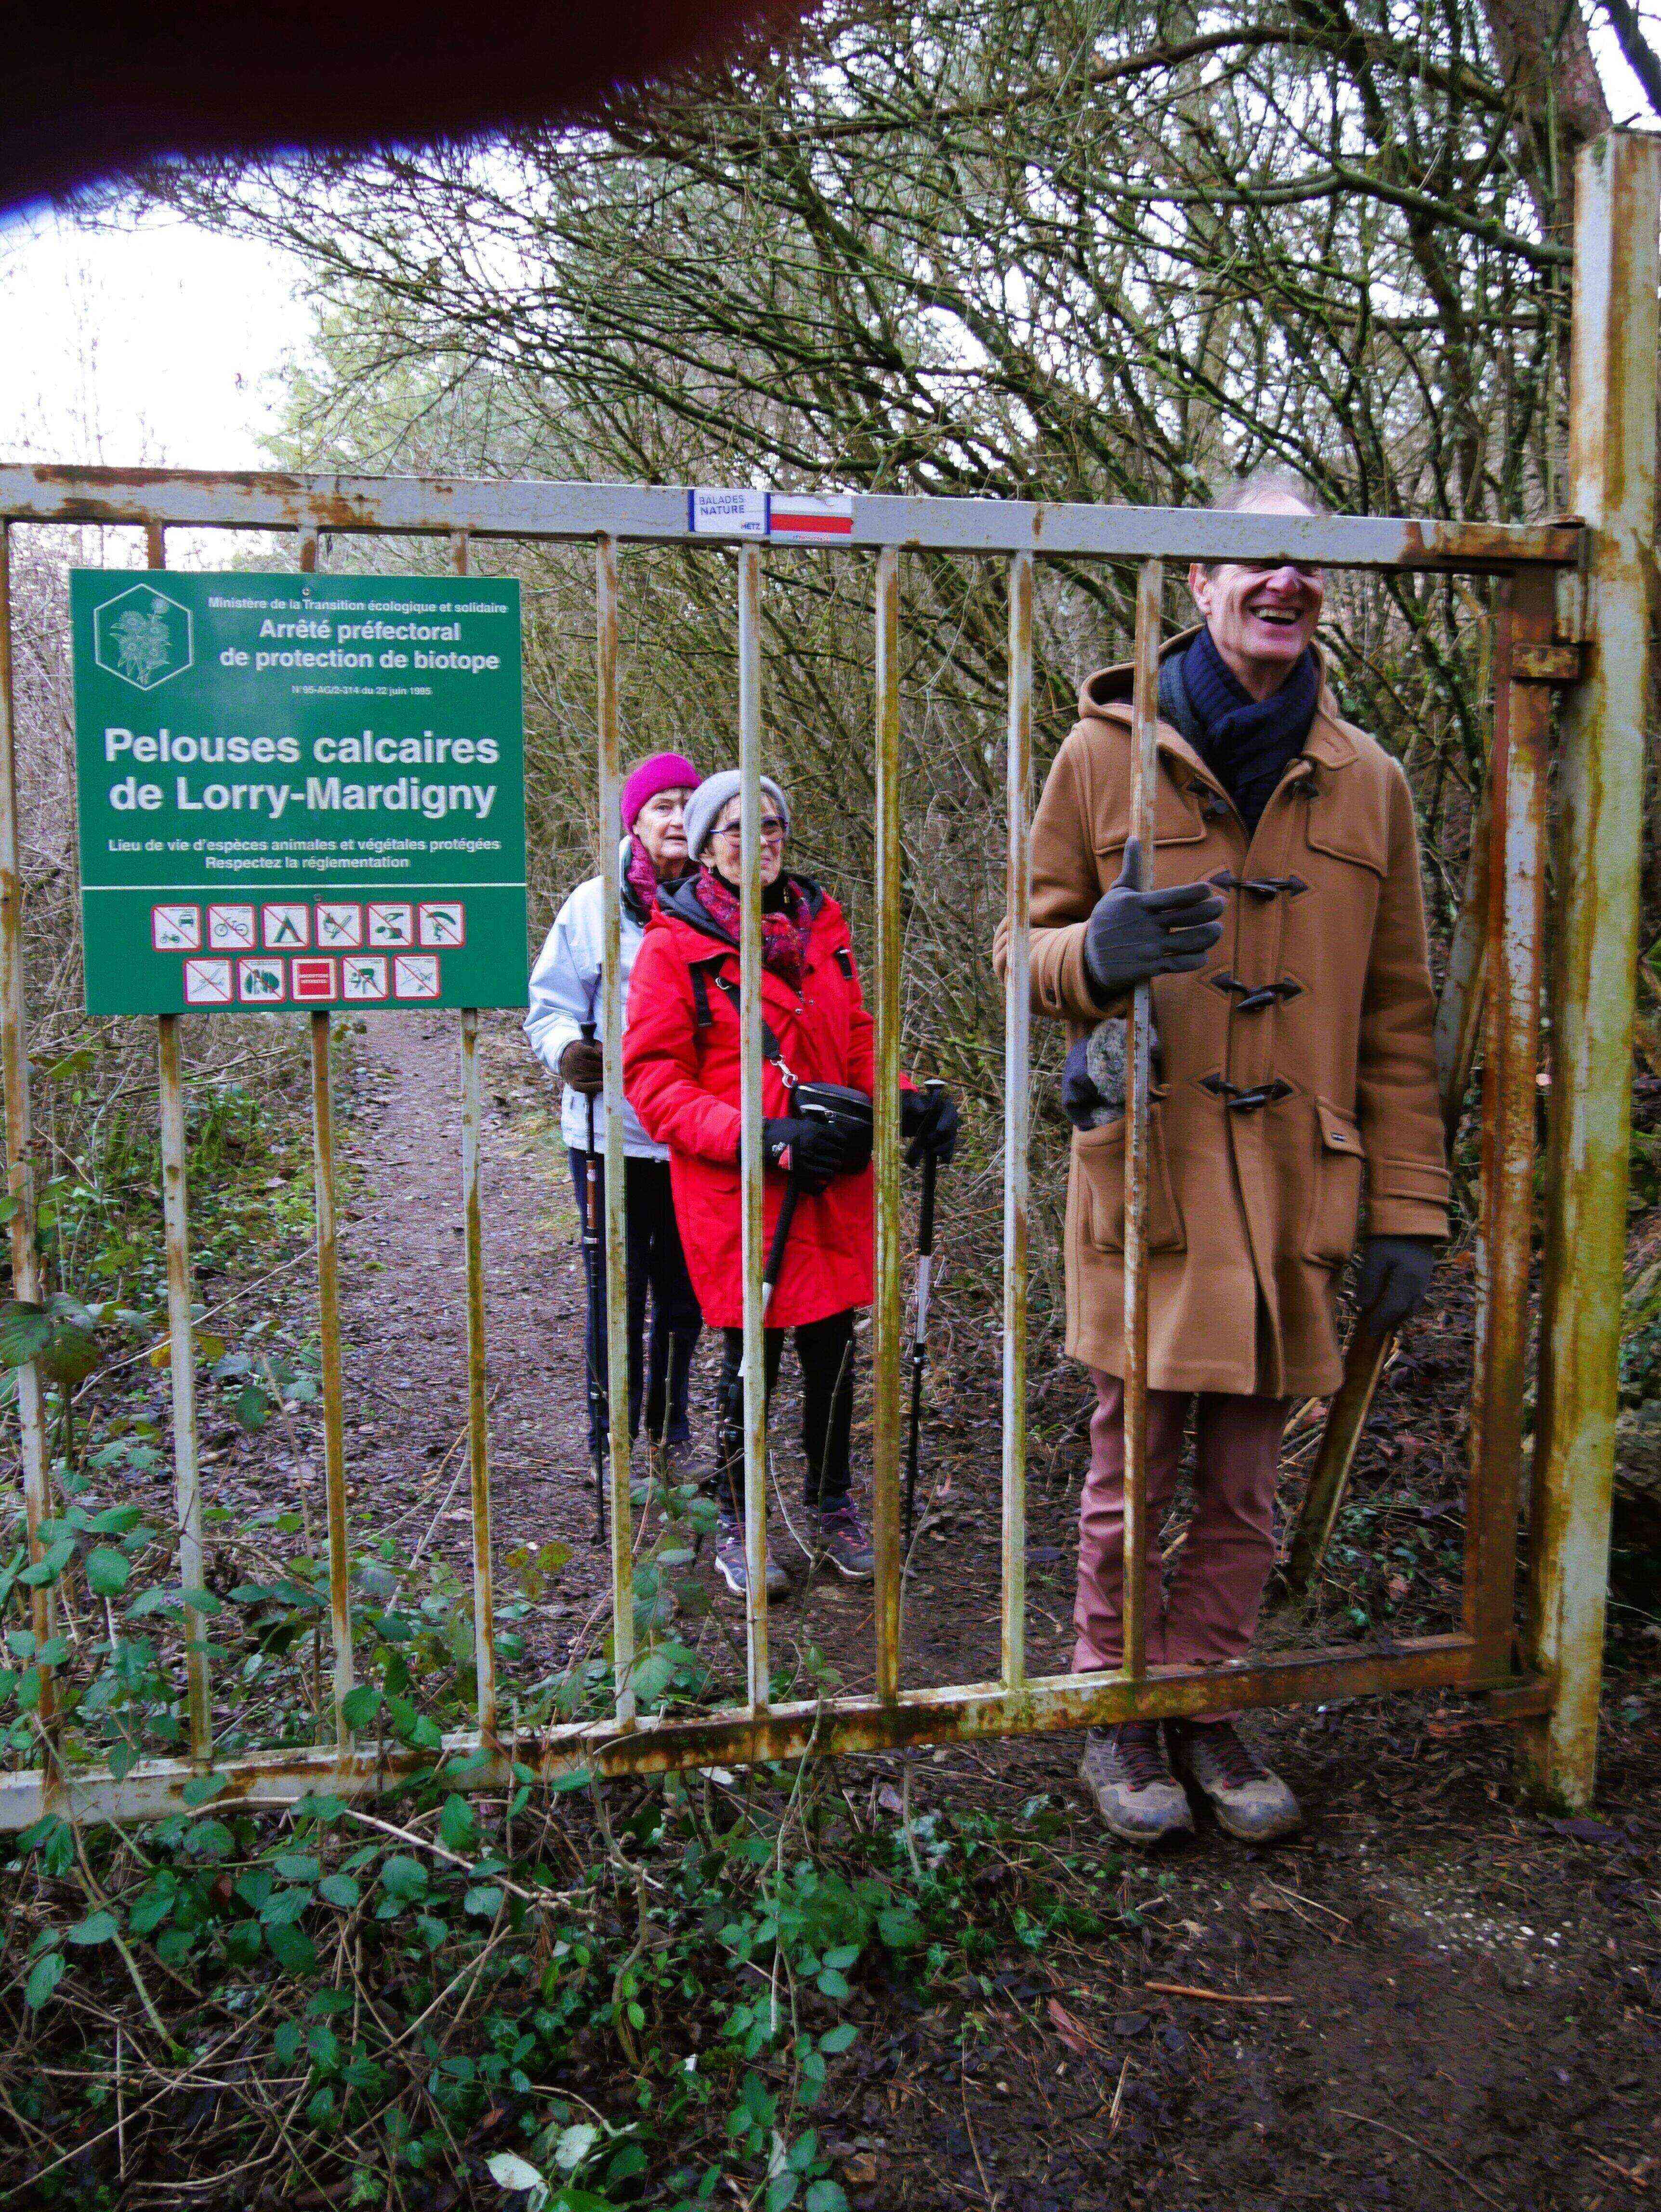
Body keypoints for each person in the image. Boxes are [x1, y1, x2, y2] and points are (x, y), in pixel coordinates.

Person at [995, 467, 1449, 1846]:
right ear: (1196, 583)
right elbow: (1020, 949)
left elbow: (1398, 1014)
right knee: (1128, 1469)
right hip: (1152, 1178)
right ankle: (1114, 1706)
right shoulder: (1100, 758)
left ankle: (1204, 1695)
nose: (1281, 581)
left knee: (1247, 1485)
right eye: (1250, 558)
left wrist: (1410, 1205)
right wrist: (1092, 955)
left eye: (1304, 561)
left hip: (1300, 1187)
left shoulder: (1371, 781)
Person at [624, 769, 959, 1598]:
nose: (761, 841)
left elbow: (855, 1041)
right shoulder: (674, 947)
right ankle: (739, 1517)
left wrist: (906, 1102)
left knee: (833, 1350)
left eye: (772, 825)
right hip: (742, 1191)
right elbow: (654, 1082)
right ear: (707, 849)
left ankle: (832, 1502)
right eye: (739, 829)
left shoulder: (822, 927)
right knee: (753, 1359)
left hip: (831, 1178)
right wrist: (760, 1139)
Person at [525, 751, 705, 1476]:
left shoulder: (721, 906)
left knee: (685, 1297)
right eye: (663, 805)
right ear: (634, 821)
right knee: (616, 1292)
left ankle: (669, 1430)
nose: (678, 818)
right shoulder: (592, 906)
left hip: (696, 1135)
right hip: (610, 1136)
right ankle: (610, 1439)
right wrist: (568, 1052)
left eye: (689, 804)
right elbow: (549, 1007)